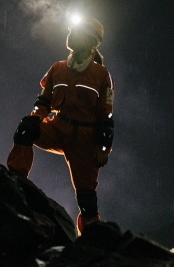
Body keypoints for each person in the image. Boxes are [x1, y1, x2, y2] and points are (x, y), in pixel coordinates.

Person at [7, 16, 115, 235]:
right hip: (58, 128)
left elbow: (106, 114)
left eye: (76, 31)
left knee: (86, 199)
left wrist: (103, 148)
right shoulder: (57, 69)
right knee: (26, 129)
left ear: (90, 41)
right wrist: (35, 118)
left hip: (85, 138)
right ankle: (16, 182)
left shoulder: (101, 75)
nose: (70, 34)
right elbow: (44, 102)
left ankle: (90, 238)